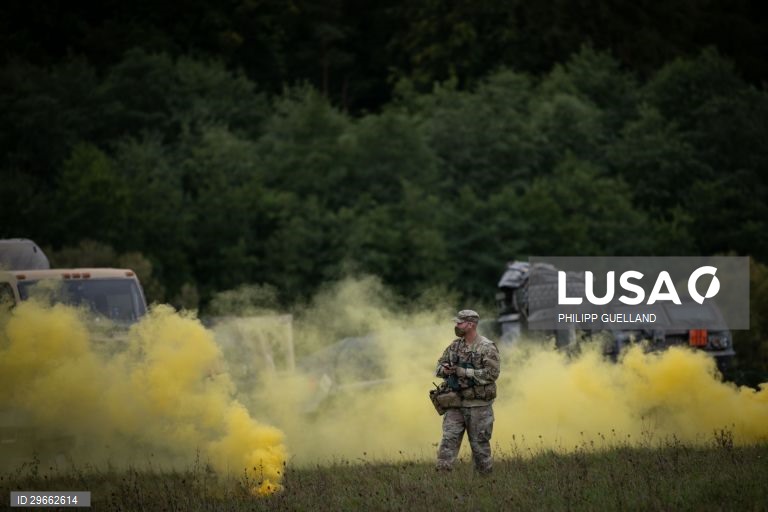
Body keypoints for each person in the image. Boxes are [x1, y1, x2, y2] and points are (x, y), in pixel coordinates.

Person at [434, 309, 500, 474]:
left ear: (471, 325)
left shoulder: (487, 347)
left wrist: (465, 372)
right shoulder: (455, 346)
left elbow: (492, 374)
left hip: (478, 405)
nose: (456, 326)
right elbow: (438, 367)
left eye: (459, 323)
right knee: (447, 443)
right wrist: (446, 370)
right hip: (455, 403)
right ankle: (441, 482)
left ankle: (485, 483)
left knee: (480, 447)